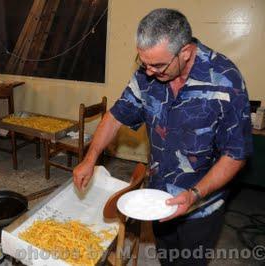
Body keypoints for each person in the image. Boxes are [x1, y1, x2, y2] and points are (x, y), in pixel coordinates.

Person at [73, 8, 252, 265]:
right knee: (166, 258)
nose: (148, 72)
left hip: (201, 207)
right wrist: (90, 158)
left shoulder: (225, 81)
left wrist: (194, 194)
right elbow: (115, 117)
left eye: (157, 65)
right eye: (143, 62)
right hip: (157, 199)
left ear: (186, 52)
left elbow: (235, 154)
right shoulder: (147, 74)